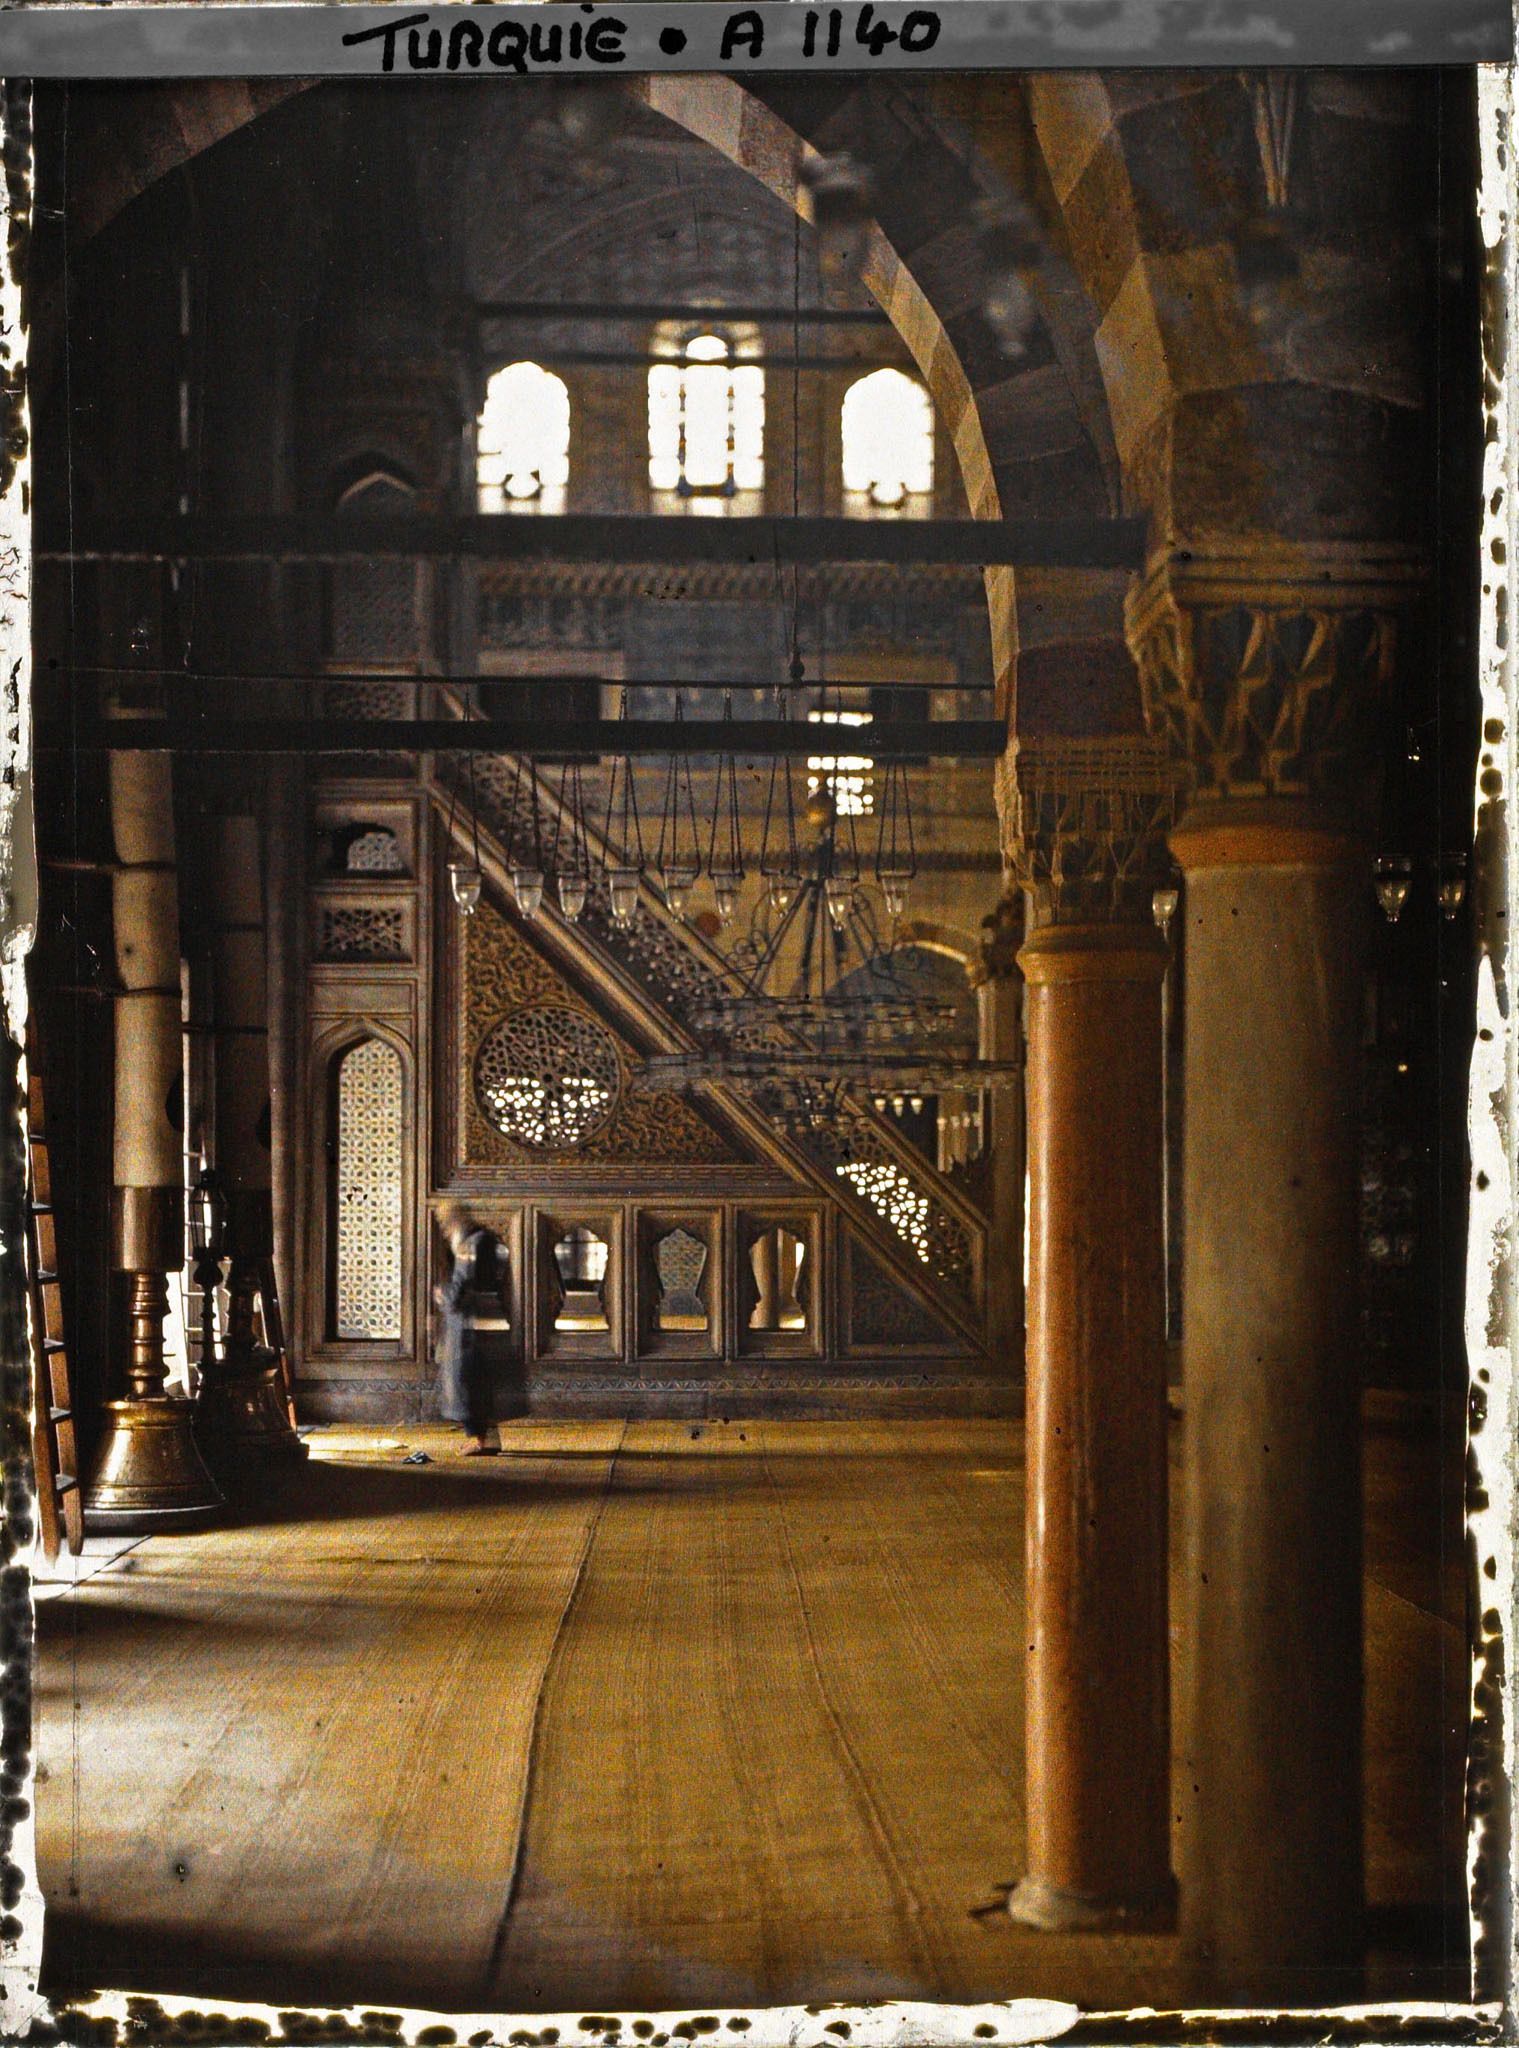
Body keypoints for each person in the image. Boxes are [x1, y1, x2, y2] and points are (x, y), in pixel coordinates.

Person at [435, 1202, 507, 1456]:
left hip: (469, 1327)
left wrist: (442, 1294)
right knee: (483, 1381)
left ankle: (479, 1440)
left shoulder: (470, 1246)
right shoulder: (486, 1240)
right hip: (490, 1320)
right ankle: (489, 1439)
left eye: (446, 1224)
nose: (445, 1232)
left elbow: (460, 1288)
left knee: (465, 1380)